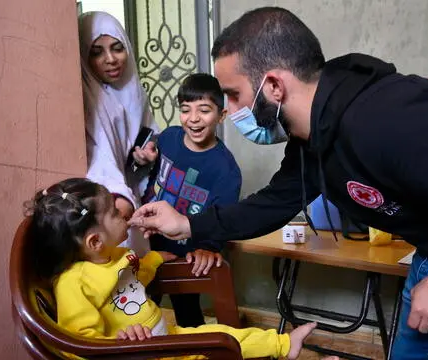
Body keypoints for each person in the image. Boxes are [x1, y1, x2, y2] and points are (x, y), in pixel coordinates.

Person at [129, 7, 428, 360]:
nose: (231, 109)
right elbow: (274, 203)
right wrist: (187, 225)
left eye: (233, 95)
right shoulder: (316, 134)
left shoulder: (383, 118)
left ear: (273, 86)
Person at [24, 177, 316, 360]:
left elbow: (134, 277)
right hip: (145, 354)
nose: (122, 213)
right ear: (95, 240)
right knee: (218, 346)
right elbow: (78, 345)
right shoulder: (73, 284)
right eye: (114, 213)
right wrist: (118, 343)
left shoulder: (115, 255)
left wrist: (155, 260)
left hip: (169, 337)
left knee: (226, 336)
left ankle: (283, 344)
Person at [139, 73, 242, 327]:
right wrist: (142, 157)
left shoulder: (226, 170)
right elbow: (146, 167)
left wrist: (208, 246)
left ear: (222, 115)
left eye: (204, 110)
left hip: (185, 255)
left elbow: (222, 218)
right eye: (186, 110)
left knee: (187, 314)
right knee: (137, 306)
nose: (193, 118)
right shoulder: (168, 138)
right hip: (146, 243)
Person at [79, 11, 159, 254]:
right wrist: (117, 197)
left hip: (131, 203)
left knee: (139, 280)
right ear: (83, 55)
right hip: (108, 206)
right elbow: (97, 155)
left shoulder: (134, 92)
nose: (111, 59)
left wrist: (145, 156)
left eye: (117, 48)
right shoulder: (84, 98)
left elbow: (147, 136)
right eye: (97, 52)